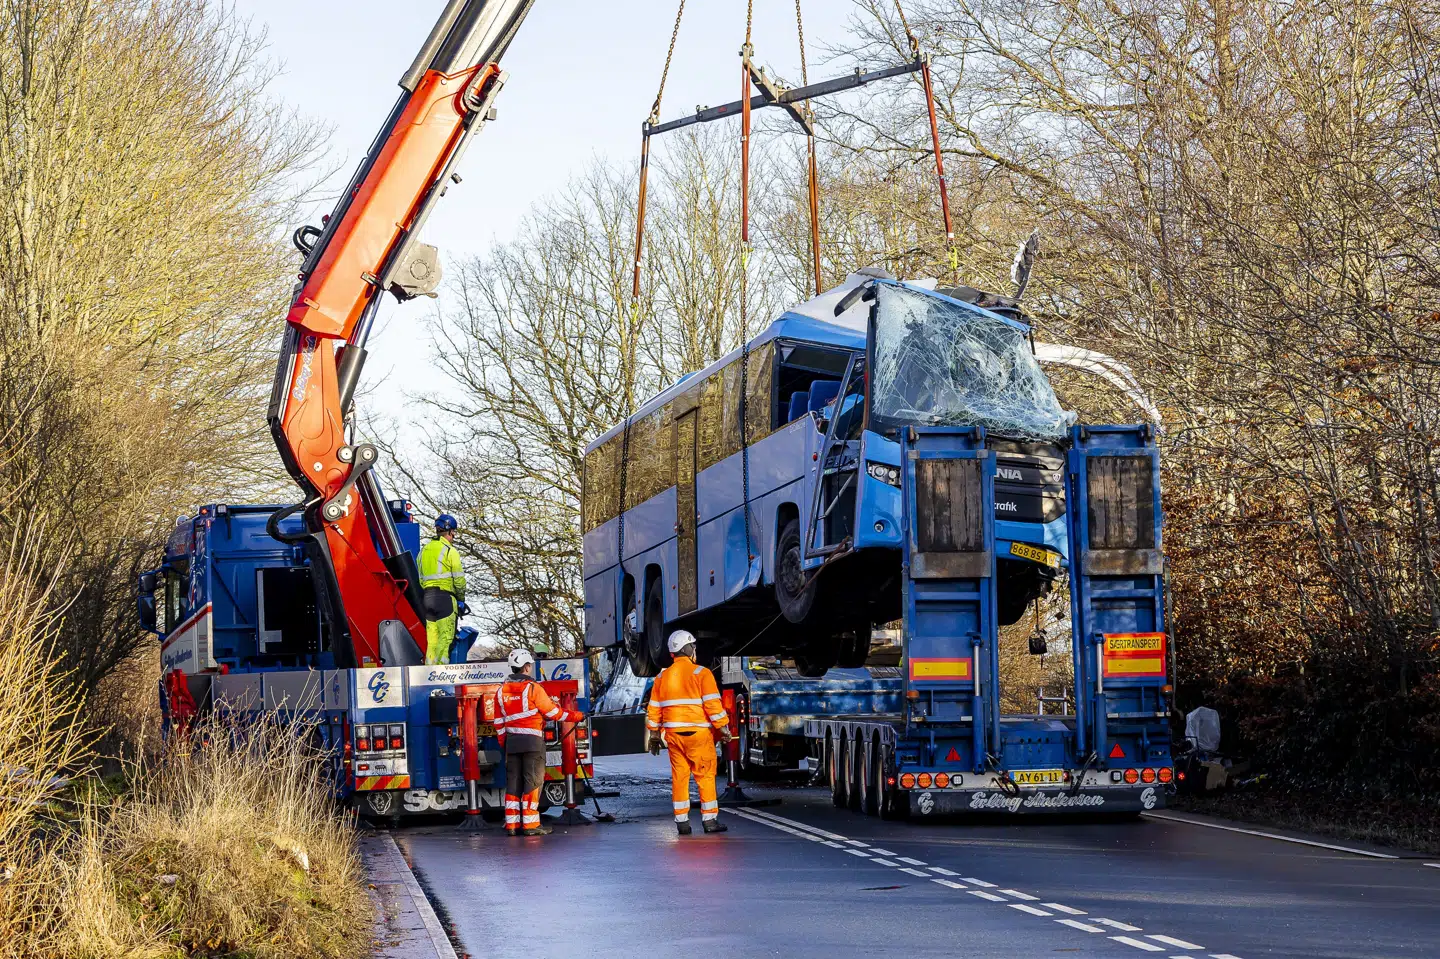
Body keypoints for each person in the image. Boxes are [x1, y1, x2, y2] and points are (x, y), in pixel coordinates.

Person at [645, 630, 733, 835]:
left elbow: (654, 708)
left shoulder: (661, 677)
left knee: (680, 777)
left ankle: (682, 822)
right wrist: (723, 727)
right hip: (699, 735)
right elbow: (712, 705)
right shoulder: (701, 673)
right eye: (693, 646)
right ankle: (710, 821)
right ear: (687, 649)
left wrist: (655, 734)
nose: (695, 650)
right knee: (705, 776)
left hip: (674, 736)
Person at [494, 648, 584, 836]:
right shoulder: (533, 689)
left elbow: (499, 724)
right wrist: (577, 716)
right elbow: (554, 713)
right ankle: (530, 825)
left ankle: (512, 824)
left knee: (513, 783)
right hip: (532, 743)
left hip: (512, 742)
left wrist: (505, 743)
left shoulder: (501, 691)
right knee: (533, 782)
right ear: (526, 667)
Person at [418, 514, 467, 665]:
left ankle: (429, 673)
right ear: (451, 532)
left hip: (427, 598)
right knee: (445, 640)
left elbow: (420, 578)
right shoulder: (449, 551)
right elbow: (459, 580)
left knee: (432, 641)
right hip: (446, 599)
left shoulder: (424, 551)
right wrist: (460, 599)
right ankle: (440, 675)